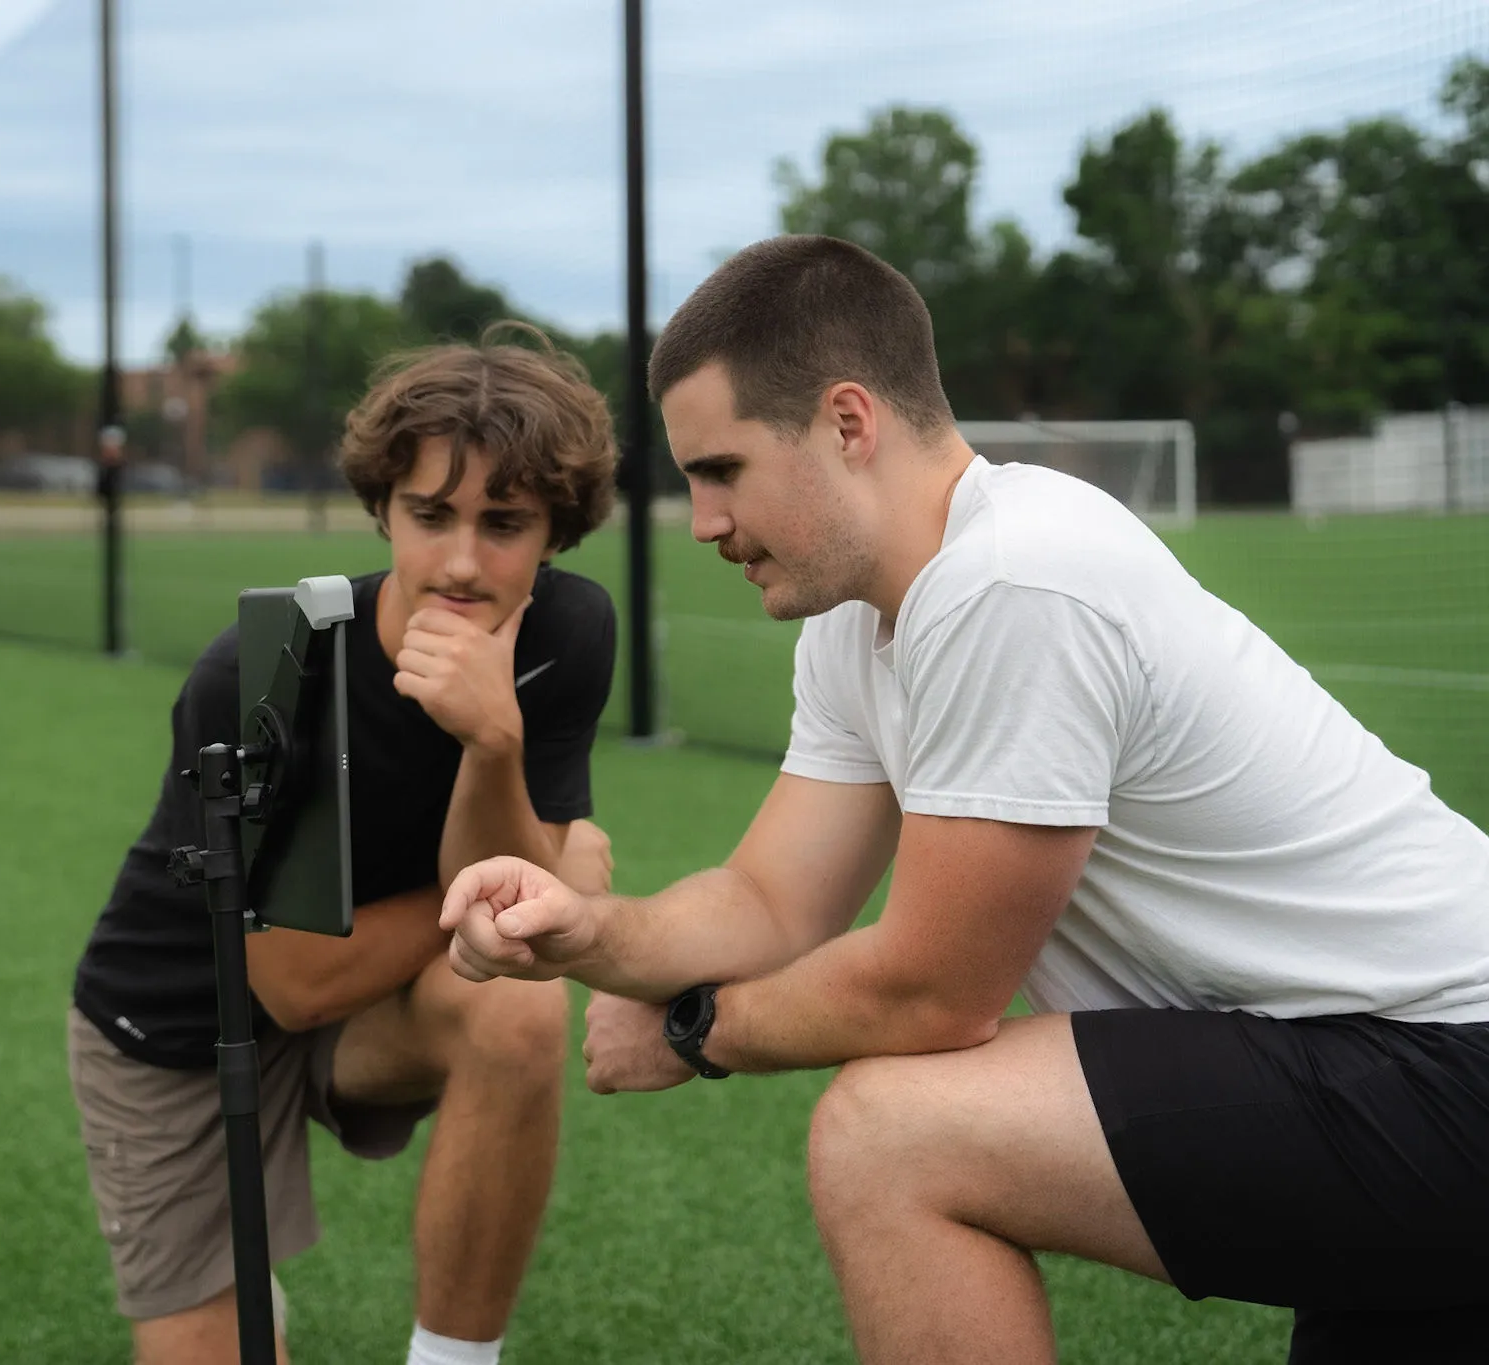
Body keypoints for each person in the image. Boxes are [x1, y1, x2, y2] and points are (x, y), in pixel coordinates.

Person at [441, 235, 1489, 1364]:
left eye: (721, 471)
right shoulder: (861, 615)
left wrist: (698, 1029)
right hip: (1368, 1062)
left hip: (1440, 1065)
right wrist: (584, 929)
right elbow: (768, 900)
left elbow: (933, 996)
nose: (701, 521)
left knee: (892, 1135)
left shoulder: (1012, 580)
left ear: (847, 424)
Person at [68, 325, 621, 1365]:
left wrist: (491, 742)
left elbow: (505, 931)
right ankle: (240, 1296)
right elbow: (290, 987)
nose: (461, 561)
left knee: (518, 1000)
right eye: (429, 515)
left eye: (503, 522)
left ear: (554, 534)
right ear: (380, 510)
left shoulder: (567, 635)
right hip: (186, 1026)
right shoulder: (260, 671)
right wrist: (541, 878)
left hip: (382, 1005)